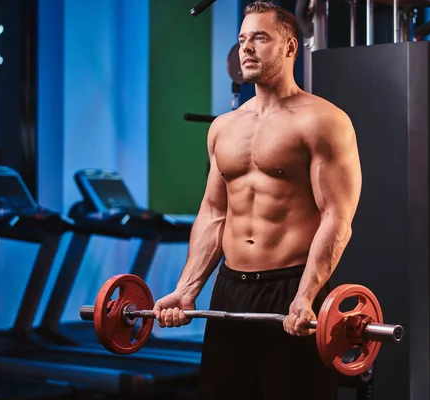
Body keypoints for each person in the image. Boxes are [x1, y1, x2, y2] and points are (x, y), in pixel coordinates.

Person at [153, 2, 362, 399]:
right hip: (231, 289)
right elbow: (214, 214)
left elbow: (336, 216)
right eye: (242, 39)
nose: (246, 48)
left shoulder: (323, 121)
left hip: (290, 288)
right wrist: (187, 288)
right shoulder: (223, 128)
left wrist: (306, 295)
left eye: (260, 38)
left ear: (289, 47)